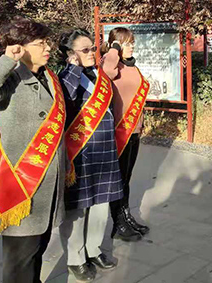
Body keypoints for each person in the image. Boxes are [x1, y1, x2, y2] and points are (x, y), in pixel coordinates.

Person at [0, 17, 66, 283]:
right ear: (20, 47)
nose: (48, 48)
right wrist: (7, 59)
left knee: (37, 251)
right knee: (19, 262)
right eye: (40, 43)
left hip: (48, 183)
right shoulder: (10, 77)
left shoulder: (49, 76)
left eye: (47, 42)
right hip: (21, 185)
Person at [58, 29, 126, 281]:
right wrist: (74, 68)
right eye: (84, 50)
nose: (91, 53)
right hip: (80, 152)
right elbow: (66, 98)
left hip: (104, 149)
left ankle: (94, 249)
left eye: (93, 49)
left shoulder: (98, 74)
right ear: (70, 53)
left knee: (100, 204)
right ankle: (75, 258)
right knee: (78, 209)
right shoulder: (64, 76)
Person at [102, 27, 151, 239]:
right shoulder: (111, 65)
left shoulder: (132, 66)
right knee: (118, 179)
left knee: (126, 178)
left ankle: (126, 217)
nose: (131, 47)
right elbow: (106, 71)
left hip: (134, 131)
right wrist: (114, 48)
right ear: (116, 45)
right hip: (119, 132)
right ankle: (118, 224)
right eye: (126, 43)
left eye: (132, 43)